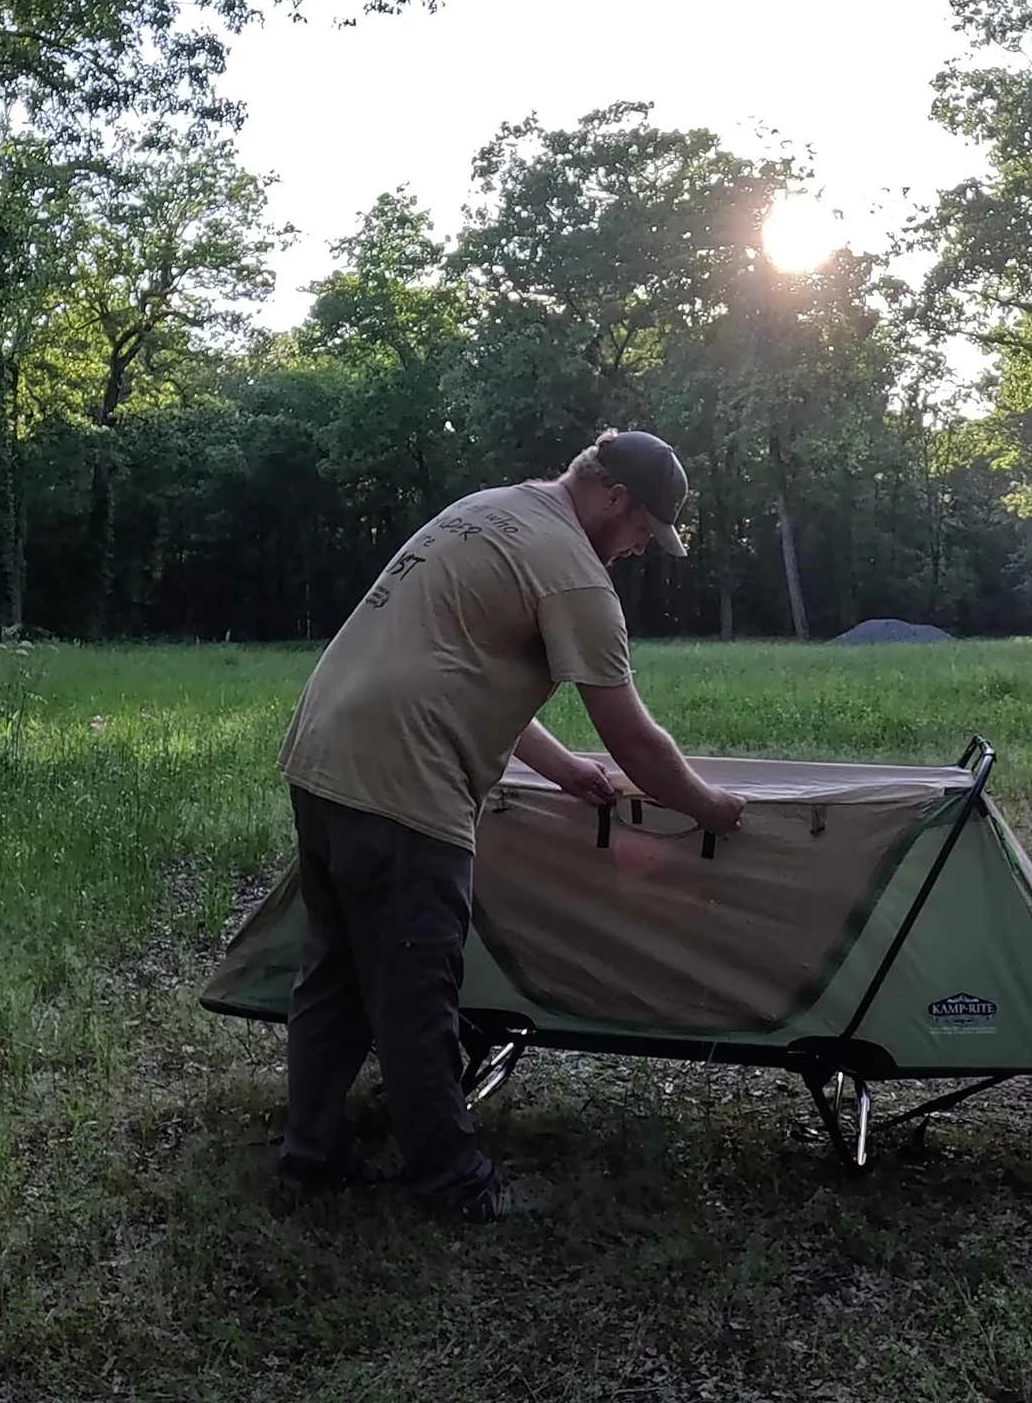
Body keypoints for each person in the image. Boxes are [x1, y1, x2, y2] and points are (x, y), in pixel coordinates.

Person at [272, 428, 747, 1223]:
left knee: (338, 975)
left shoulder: (488, 511)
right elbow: (634, 737)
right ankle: (454, 1185)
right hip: (403, 782)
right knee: (418, 994)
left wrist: (564, 769)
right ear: (615, 499)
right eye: (641, 532)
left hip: (324, 756)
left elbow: (461, 666)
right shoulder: (575, 575)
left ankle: (312, 1153)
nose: (637, 550)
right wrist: (708, 807)